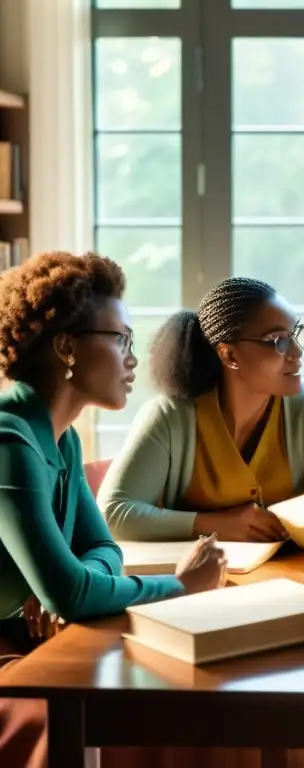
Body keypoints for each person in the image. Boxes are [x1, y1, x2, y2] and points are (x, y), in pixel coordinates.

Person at [0, 251, 226, 768]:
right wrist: (181, 585)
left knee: (192, 691)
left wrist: (65, 584)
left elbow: (100, 549)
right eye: (120, 338)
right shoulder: (9, 441)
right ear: (66, 348)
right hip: (8, 653)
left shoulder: (62, 439)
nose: (133, 358)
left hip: (31, 637)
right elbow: (73, 593)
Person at [98, 276, 304, 542]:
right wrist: (213, 525)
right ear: (230, 355)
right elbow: (114, 513)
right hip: (201, 581)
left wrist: (285, 521)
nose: (297, 353)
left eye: (297, 335)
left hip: (292, 577)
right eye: (279, 341)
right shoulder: (170, 414)